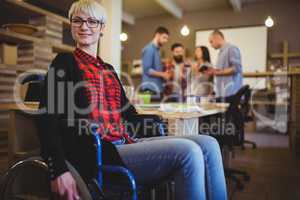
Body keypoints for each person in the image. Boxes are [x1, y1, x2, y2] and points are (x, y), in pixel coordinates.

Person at [37, 1, 228, 200]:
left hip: (128, 140)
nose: (84, 26)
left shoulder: (108, 69)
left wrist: (157, 119)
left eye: (92, 21)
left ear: (102, 28)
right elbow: (46, 116)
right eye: (78, 21)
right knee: (189, 152)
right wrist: (57, 169)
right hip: (101, 151)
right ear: (71, 25)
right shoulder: (64, 62)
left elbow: (129, 114)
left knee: (208, 143)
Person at [208, 29, 243, 97]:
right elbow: (223, 70)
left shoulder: (232, 48)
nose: (211, 45)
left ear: (217, 38)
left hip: (231, 93)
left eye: (211, 42)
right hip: (222, 93)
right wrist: (213, 71)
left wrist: (216, 72)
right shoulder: (221, 52)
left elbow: (236, 68)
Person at [141, 26, 171, 99]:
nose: (166, 40)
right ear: (157, 35)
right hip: (150, 89)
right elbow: (147, 70)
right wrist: (163, 75)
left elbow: (154, 67)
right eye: (164, 37)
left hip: (156, 88)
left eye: (167, 38)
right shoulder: (149, 49)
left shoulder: (157, 50)